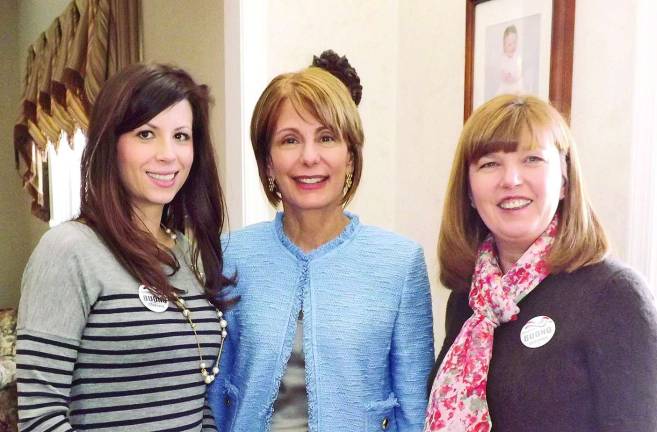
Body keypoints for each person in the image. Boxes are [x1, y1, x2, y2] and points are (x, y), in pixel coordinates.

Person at [208, 51, 435, 431]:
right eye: (290, 140)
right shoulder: (231, 254)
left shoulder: (399, 263)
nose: (309, 157)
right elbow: (214, 396)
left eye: (326, 138)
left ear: (350, 155)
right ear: (268, 162)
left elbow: (415, 410)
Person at [16, 63, 233, 431]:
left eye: (181, 136)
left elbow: (197, 401)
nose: (168, 154)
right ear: (110, 143)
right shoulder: (69, 249)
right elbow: (41, 416)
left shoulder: (183, 251)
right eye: (146, 134)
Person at [425, 94, 657, 432]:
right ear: (470, 193)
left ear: (564, 181)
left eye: (532, 159)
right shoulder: (469, 299)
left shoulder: (615, 296)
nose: (511, 179)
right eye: (489, 163)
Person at [496, 25, 525, 95]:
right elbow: (500, 71)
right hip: (505, 85)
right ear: (504, 45)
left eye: (515, 42)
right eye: (509, 44)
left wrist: (513, 76)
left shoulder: (517, 58)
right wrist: (505, 75)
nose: (513, 46)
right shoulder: (502, 58)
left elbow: (519, 73)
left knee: (517, 94)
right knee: (500, 94)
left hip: (515, 85)